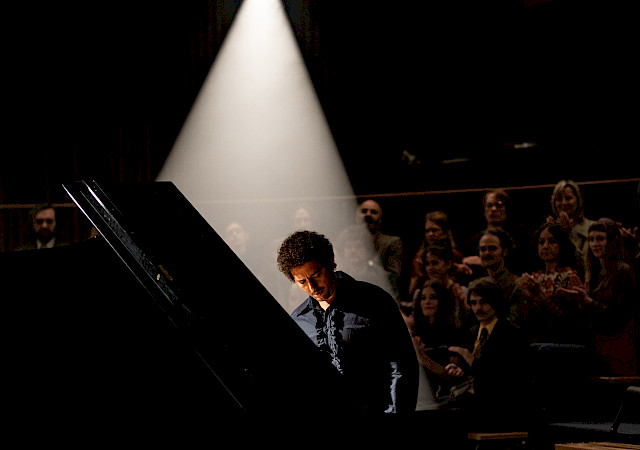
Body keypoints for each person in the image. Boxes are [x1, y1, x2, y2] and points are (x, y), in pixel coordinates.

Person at [277, 230, 418, 413]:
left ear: (330, 263)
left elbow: (401, 366)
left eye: (316, 275)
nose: (312, 287)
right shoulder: (298, 320)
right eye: (302, 282)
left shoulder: (374, 300)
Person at [444, 277, 531, 431]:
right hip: (470, 402)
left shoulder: (512, 334)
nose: (478, 308)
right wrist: (460, 371)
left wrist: (472, 361)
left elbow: (505, 381)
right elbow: (471, 374)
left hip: (499, 406)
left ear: (495, 302)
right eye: (473, 303)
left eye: (483, 302)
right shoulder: (471, 332)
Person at [510, 222, 588, 344]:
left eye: (552, 241)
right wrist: (526, 297)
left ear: (561, 244)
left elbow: (568, 321)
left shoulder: (570, 276)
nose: (545, 246)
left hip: (563, 341)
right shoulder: (535, 277)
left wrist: (540, 295)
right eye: (541, 242)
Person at [580, 219, 638, 375]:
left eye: (600, 239)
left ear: (611, 241)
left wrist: (589, 302)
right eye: (591, 239)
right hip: (598, 342)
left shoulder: (623, 271)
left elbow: (619, 316)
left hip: (617, 346)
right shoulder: (595, 274)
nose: (594, 244)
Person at [411, 279, 466, 407]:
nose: (427, 302)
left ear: (442, 301)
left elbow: (450, 376)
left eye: (433, 297)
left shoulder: (455, 333)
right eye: (423, 298)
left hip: (446, 399)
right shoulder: (417, 333)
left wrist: (422, 358)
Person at [461, 189, 528, 277]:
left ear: (506, 209)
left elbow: (521, 263)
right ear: (484, 210)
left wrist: (484, 261)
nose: (493, 209)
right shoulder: (474, 241)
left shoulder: (519, 237)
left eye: (499, 205)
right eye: (489, 205)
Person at [409, 236, 471, 329]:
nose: (430, 268)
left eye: (435, 263)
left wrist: (463, 304)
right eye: (427, 264)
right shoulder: (420, 293)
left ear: (448, 264)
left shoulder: (461, 292)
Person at [407, 210, 467, 297]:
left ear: (444, 231)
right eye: (427, 231)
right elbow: (412, 290)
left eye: (434, 230)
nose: (430, 234)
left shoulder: (455, 255)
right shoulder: (420, 257)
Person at [356, 198, 404, 301]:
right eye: (364, 211)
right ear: (356, 216)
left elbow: (393, 276)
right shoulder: (345, 240)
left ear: (380, 219)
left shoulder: (391, 243)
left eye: (373, 212)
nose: (368, 214)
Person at [546, 179, 595, 264]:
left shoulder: (592, 227)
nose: (564, 203)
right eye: (559, 199)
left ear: (578, 200)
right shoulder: (550, 228)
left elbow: (584, 263)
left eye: (568, 198)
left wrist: (568, 234)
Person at [470, 227, 521, 306]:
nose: (487, 253)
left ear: (505, 252)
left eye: (492, 248)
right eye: (483, 249)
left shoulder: (516, 285)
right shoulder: (475, 285)